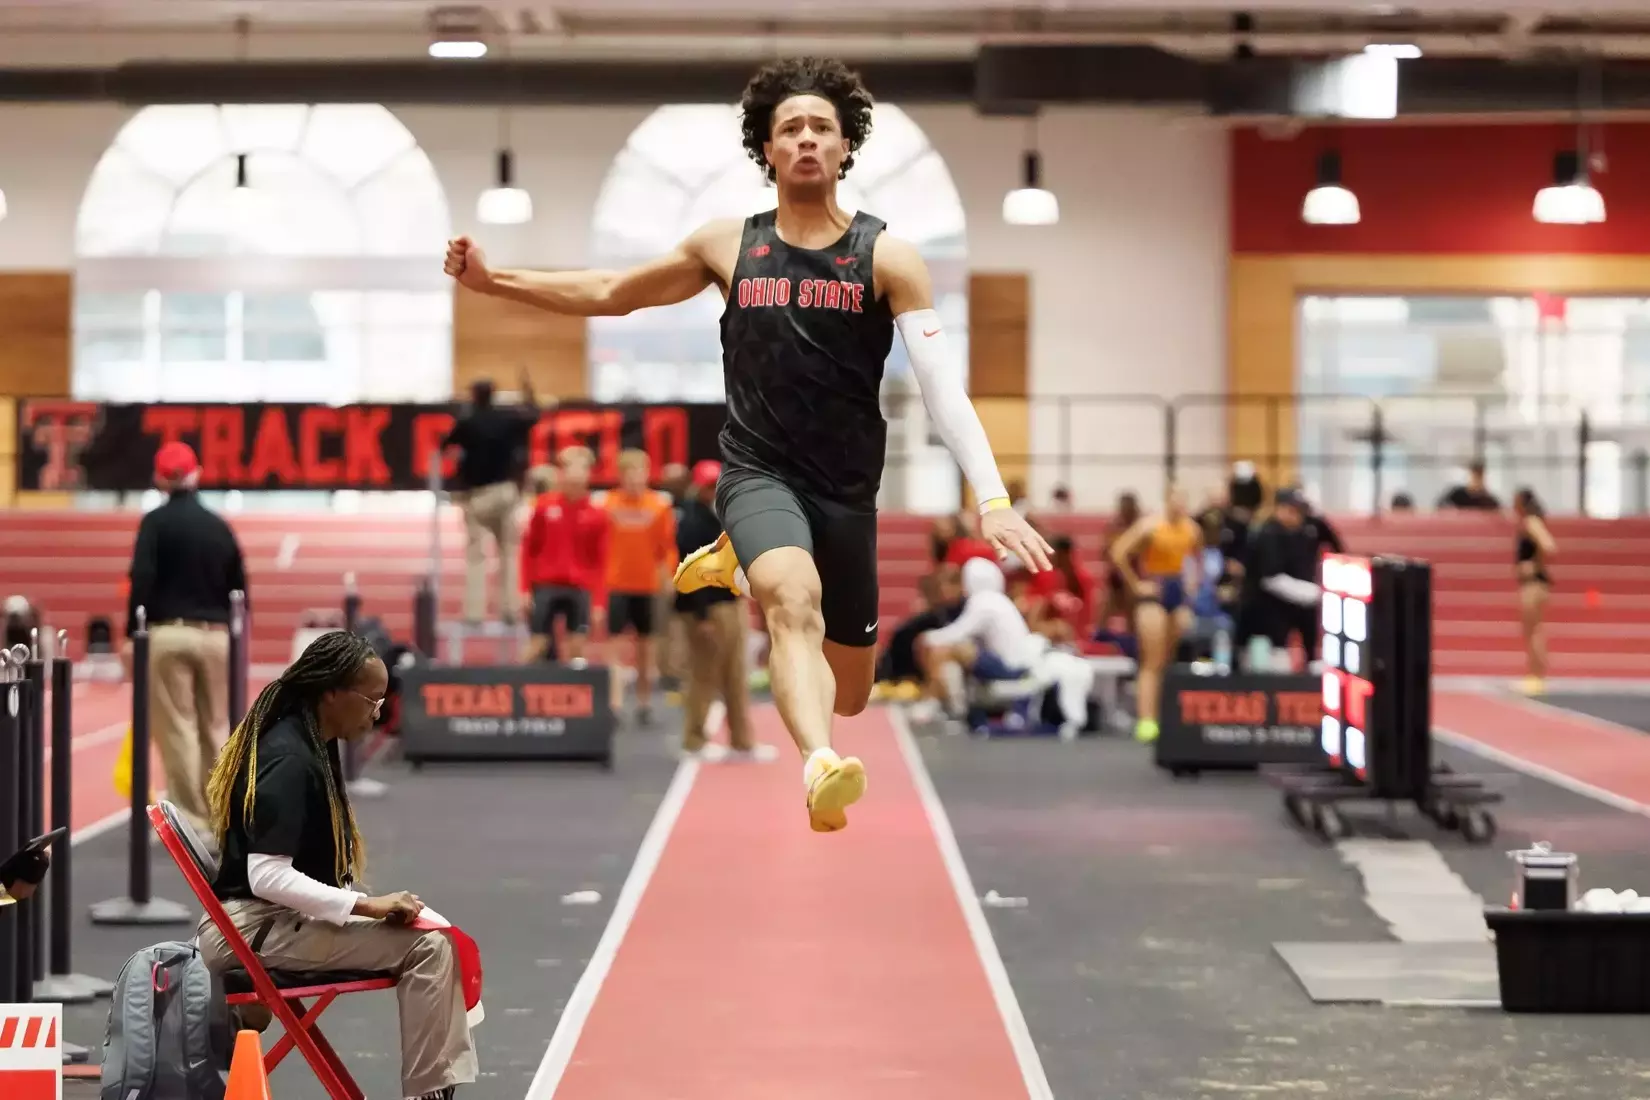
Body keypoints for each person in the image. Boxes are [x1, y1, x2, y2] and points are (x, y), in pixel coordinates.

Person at [444, 57, 1049, 832]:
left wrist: (991, 498)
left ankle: (745, 575)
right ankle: (818, 763)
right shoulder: (728, 245)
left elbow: (938, 383)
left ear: (844, 148)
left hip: (846, 492)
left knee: (854, 689)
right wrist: (498, 284)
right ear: (766, 149)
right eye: (789, 128)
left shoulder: (887, 258)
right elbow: (609, 293)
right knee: (792, 605)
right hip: (759, 473)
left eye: (820, 128)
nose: (804, 139)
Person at [198, 631, 476, 1100]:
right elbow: (265, 876)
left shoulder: (306, 738)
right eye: (372, 699)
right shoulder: (288, 759)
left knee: (429, 934)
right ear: (331, 692)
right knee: (429, 948)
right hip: (252, 932)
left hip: (257, 924)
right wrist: (365, 906)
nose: (379, 712)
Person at [126, 441, 247, 835]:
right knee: (216, 726)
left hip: (167, 635)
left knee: (177, 727)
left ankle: (189, 820)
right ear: (197, 474)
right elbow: (239, 587)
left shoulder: (154, 523)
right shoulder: (218, 526)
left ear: (160, 478)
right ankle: (223, 817)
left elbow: (141, 579)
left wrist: (132, 633)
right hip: (215, 635)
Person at [673, 460, 766, 759]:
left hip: (729, 601)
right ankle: (694, 740)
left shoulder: (720, 516)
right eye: (709, 486)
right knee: (704, 673)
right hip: (709, 607)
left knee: (735, 674)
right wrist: (702, 618)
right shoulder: (692, 522)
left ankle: (741, 740)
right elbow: (690, 570)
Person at [1108, 485, 1202, 743]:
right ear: (1167, 502)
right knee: (1152, 661)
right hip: (1154, 590)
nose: (1180, 507)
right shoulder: (1151, 526)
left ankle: (1165, 716)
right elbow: (1119, 553)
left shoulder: (1192, 529)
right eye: (1175, 502)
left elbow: (1197, 558)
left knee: (1169, 660)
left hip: (1177, 590)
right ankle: (1146, 719)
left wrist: (1193, 582)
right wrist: (1137, 584)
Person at [441, 376, 539, 624]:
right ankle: (510, 610)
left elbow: (445, 445)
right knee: (508, 552)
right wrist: (528, 391)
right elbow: (533, 415)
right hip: (505, 492)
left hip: (477, 497)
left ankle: (474, 613)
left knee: (476, 555)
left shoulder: (467, 421)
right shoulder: (507, 418)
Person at [602, 449, 678, 723]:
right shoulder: (607, 504)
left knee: (646, 648)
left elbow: (666, 547)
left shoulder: (659, 506)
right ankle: (615, 702)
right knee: (614, 647)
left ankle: (644, 703)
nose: (634, 479)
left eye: (639, 472)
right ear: (620, 475)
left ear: (647, 474)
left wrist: (668, 576)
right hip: (616, 584)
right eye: (628, 473)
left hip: (647, 586)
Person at [519, 447, 608, 666]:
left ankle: (577, 695)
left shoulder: (597, 515)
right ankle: (516, 687)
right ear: (561, 474)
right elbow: (529, 550)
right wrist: (524, 590)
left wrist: (598, 602)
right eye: (570, 470)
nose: (575, 477)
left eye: (581, 471)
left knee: (577, 647)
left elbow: (600, 561)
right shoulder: (544, 507)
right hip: (545, 585)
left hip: (579, 588)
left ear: (588, 474)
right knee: (538, 643)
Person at [1234, 488, 1323, 670]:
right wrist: (1311, 593)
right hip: (1261, 619)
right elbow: (1271, 579)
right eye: (1292, 510)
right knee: (1270, 668)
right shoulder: (1268, 534)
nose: (1297, 517)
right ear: (1279, 509)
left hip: (1287, 614)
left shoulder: (1302, 534)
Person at [1513, 487, 1556, 694]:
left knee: (1534, 630)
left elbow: (1549, 546)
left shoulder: (1532, 522)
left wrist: (1534, 565)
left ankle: (1537, 675)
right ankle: (1534, 674)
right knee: (1531, 630)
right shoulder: (1529, 523)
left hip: (1534, 584)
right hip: (1532, 583)